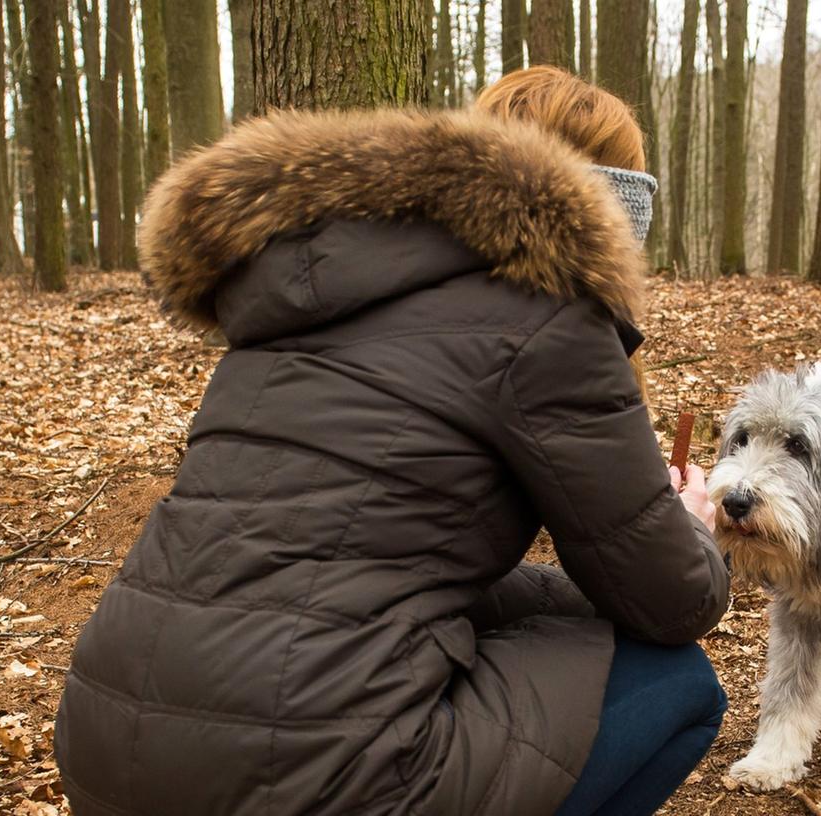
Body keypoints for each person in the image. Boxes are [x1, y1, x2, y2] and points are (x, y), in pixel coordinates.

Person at [54, 67, 730, 816]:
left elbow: (350, 564)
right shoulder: (549, 321)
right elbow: (673, 603)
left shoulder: (301, 299)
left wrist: (596, 587)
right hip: (310, 778)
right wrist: (692, 528)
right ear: (610, 208)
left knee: (550, 616)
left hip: (110, 744)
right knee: (681, 683)